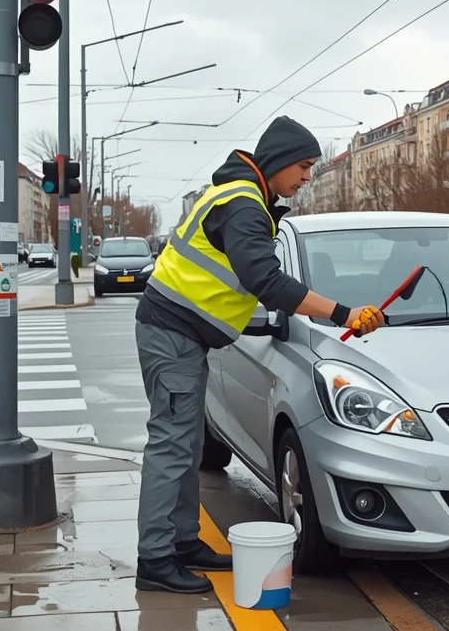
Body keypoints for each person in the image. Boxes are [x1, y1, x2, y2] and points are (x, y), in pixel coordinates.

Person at [133, 115, 385, 594]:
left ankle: (184, 543)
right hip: (172, 335)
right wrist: (344, 313)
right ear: (280, 162)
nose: (307, 177)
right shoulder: (244, 204)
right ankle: (156, 559)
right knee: (170, 446)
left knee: (184, 445)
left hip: (180, 335)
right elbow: (266, 282)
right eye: (305, 166)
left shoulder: (243, 197)